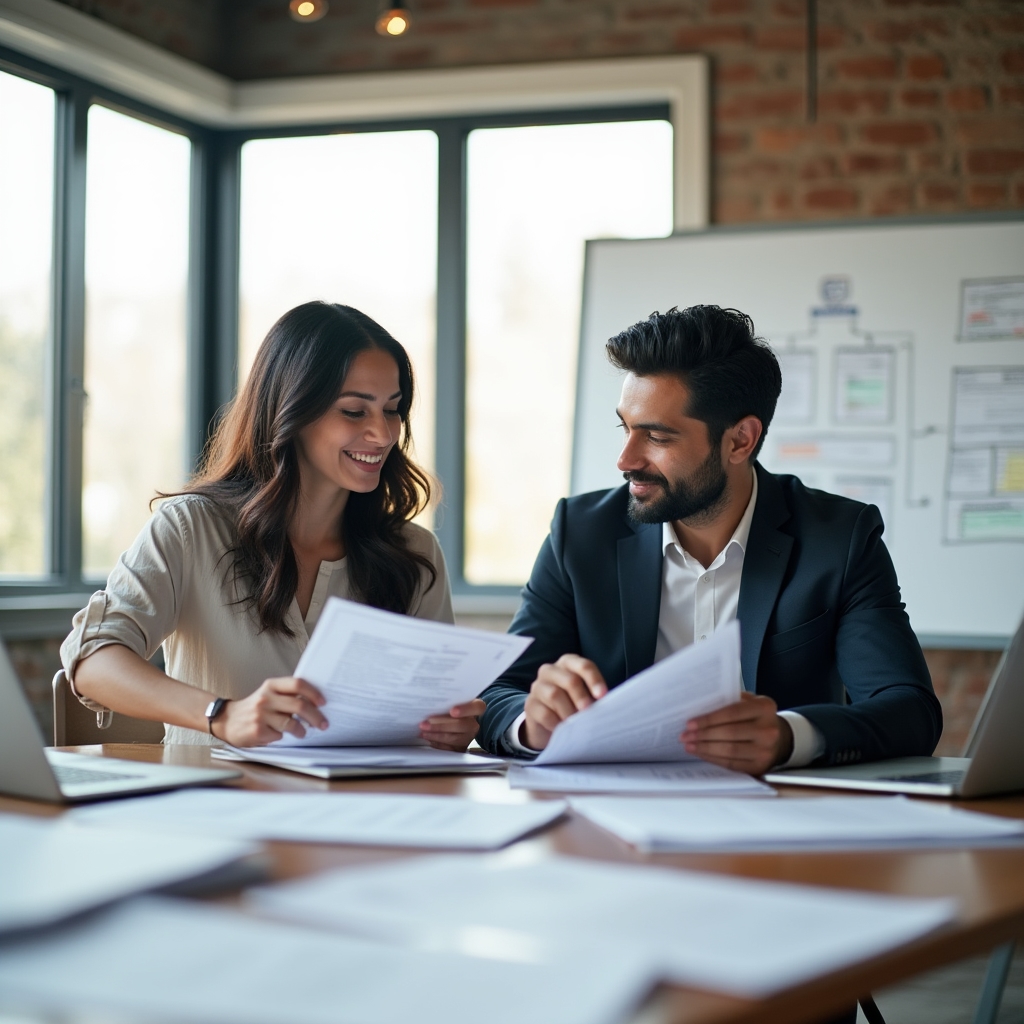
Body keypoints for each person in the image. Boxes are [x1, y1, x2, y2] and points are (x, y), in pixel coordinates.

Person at [477, 304, 942, 773]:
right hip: (610, 805)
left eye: (657, 437)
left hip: (776, 809)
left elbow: (909, 711)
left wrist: (787, 736)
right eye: (625, 428)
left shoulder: (838, 539)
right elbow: (497, 693)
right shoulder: (580, 534)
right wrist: (532, 724)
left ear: (740, 440)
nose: (625, 459)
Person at [62, 301, 483, 751]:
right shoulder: (190, 529)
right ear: (292, 412)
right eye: (354, 412)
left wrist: (450, 728)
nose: (383, 434)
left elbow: (437, 716)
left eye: (393, 410)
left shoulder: (415, 553)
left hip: (370, 797)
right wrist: (222, 714)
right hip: (216, 794)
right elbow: (92, 659)